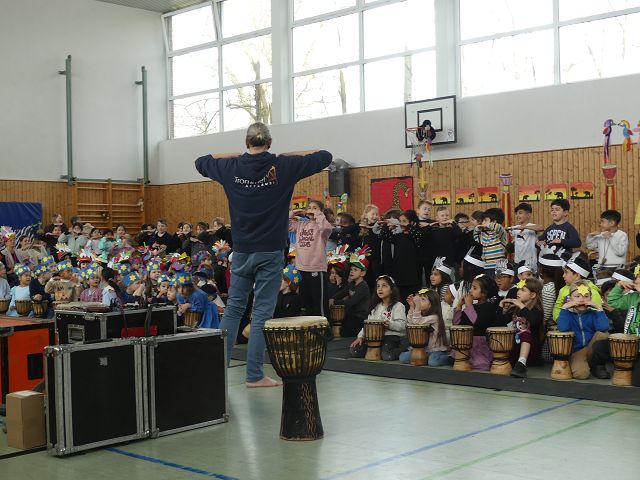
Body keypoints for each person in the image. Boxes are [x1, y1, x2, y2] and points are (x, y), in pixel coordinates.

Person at [195, 122, 332, 388]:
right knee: (260, 314)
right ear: (269, 142)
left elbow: (201, 161)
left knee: (234, 309)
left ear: (247, 142)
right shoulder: (284, 165)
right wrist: (284, 155)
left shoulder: (231, 167)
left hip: (242, 251)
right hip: (270, 251)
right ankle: (255, 375)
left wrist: (238, 156)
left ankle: (217, 373)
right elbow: (325, 156)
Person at [557, 280, 609, 380]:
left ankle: (597, 365)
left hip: (592, 350)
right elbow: (563, 328)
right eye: (577, 296)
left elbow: (603, 327)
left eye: (586, 296)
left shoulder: (594, 314)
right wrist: (564, 308)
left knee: (603, 334)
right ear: (570, 298)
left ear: (591, 298)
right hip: (576, 352)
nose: (581, 300)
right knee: (581, 374)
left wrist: (599, 308)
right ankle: (587, 365)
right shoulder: (567, 314)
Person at [289, 199, 332, 317]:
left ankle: (323, 327)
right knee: (307, 303)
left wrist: (318, 214)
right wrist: (293, 213)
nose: (311, 210)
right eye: (310, 207)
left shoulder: (322, 227)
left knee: (319, 303)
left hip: (316, 269)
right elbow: (284, 225)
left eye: (315, 208)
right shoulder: (301, 224)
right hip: (302, 269)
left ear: (321, 211)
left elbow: (327, 228)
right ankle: (310, 327)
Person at [349, 275, 406, 360]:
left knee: (387, 355)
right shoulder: (376, 306)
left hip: (392, 337)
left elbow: (403, 325)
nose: (380, 289)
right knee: (355, 350)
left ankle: (405, 348)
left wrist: (390, 324)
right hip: (375, 337)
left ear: (391, 290)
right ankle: (380, 350)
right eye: (378, 286)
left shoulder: (398, 306)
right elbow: (368, 324)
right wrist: (360, 337)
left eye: (384, 286)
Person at [498, 278, 544, 378]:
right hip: (516, 348)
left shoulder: (537, 310)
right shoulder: (516, 309)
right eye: (518, 289)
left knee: (524, 331)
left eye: (523, 290)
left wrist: (521, 306)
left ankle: (521, 364)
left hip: (531, 353)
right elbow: (501, 325)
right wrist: (503, 308)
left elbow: (533, 320)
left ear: (533, 295)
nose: (518, 292)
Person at [453, 274, 498, 371]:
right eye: (471, 288)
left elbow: (477, 323)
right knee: (457, 360)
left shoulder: (489, 307)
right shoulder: (471, 307)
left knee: (481, 364)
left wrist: (469, 306)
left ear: (484, 293)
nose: (470, 291)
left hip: (481, 344)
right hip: (467, 343)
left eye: (474, 288)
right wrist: (459, 306)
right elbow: (457, 324)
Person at [379, 209, 422, 305]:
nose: (401, 224)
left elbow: (417, 234)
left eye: (404, 221)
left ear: (412, 223)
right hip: (399, 275)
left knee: (411, 301)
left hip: (412, 276)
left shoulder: (415, 236)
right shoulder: (398, 236)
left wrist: (408, 226)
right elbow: (382, 236)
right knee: (400, 301)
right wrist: (387, 226)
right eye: (400, 221)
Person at [401, 288, 453, 366]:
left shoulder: (434, 317)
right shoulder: (420, 315)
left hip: (435, 350)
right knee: (403, 358)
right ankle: (425, 357)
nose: (419, 301)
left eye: (423, 299)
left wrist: (417, 306)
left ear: (431, 304)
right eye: (419, 299)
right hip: (422, 349)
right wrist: (412, 306)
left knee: (433, 362)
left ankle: (450, 358)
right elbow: (411, 322)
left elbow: (416, 321)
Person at [552, 255, 602, 323]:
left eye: (566, 272)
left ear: (577, 275)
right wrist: (559, 319)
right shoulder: (563, 290)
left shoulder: (592, 292)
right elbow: (557, 307)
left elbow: (596, 313)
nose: (563, 275)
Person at [331, 255, 370, 337]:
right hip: (351, 315)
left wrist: (334, 301)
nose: (352, 272)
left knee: (345, 333)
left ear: (362, 273)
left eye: (355, 270)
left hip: (360, 317)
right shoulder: (352, 284)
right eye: (351, 269)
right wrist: (332, 298)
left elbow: (351, 302)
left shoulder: (363, 286)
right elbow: (341, 293)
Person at [507, 203, 543, 271]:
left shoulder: (532, 226)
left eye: (520, 213)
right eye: (516, 214)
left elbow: (541, 228)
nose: (517, 216)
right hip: (517, 262)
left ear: (528, 215)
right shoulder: (516, 228)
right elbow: (506, 229)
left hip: (530, 263)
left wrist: (525, 227)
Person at [473, 208, 508, 276]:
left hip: (500, 267)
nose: (483, 223)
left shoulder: (500, 233)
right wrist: (477, 228)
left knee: (498, 281)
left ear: (494, 222)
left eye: (485, 220)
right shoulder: (484, 235)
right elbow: (476, 236)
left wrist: (488, 225)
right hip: (487, 267)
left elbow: (498, 227)